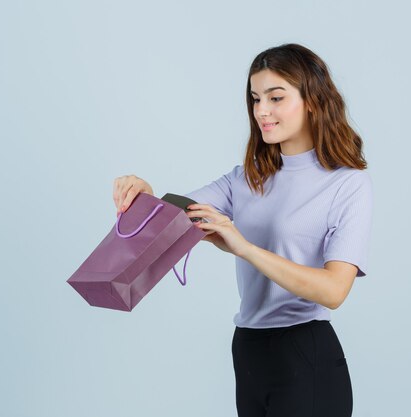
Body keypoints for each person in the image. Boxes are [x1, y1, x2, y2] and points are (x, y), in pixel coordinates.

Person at [112, 43, 373, 417]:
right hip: (248, 349)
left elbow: (334, 291)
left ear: (313, 100)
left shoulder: (347, 184)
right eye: (255, 99)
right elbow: (169, 215)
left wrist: (244, 247)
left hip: (305, 352)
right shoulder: (246, 178)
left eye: (276, 97)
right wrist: (144, 193)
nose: (262, 111)